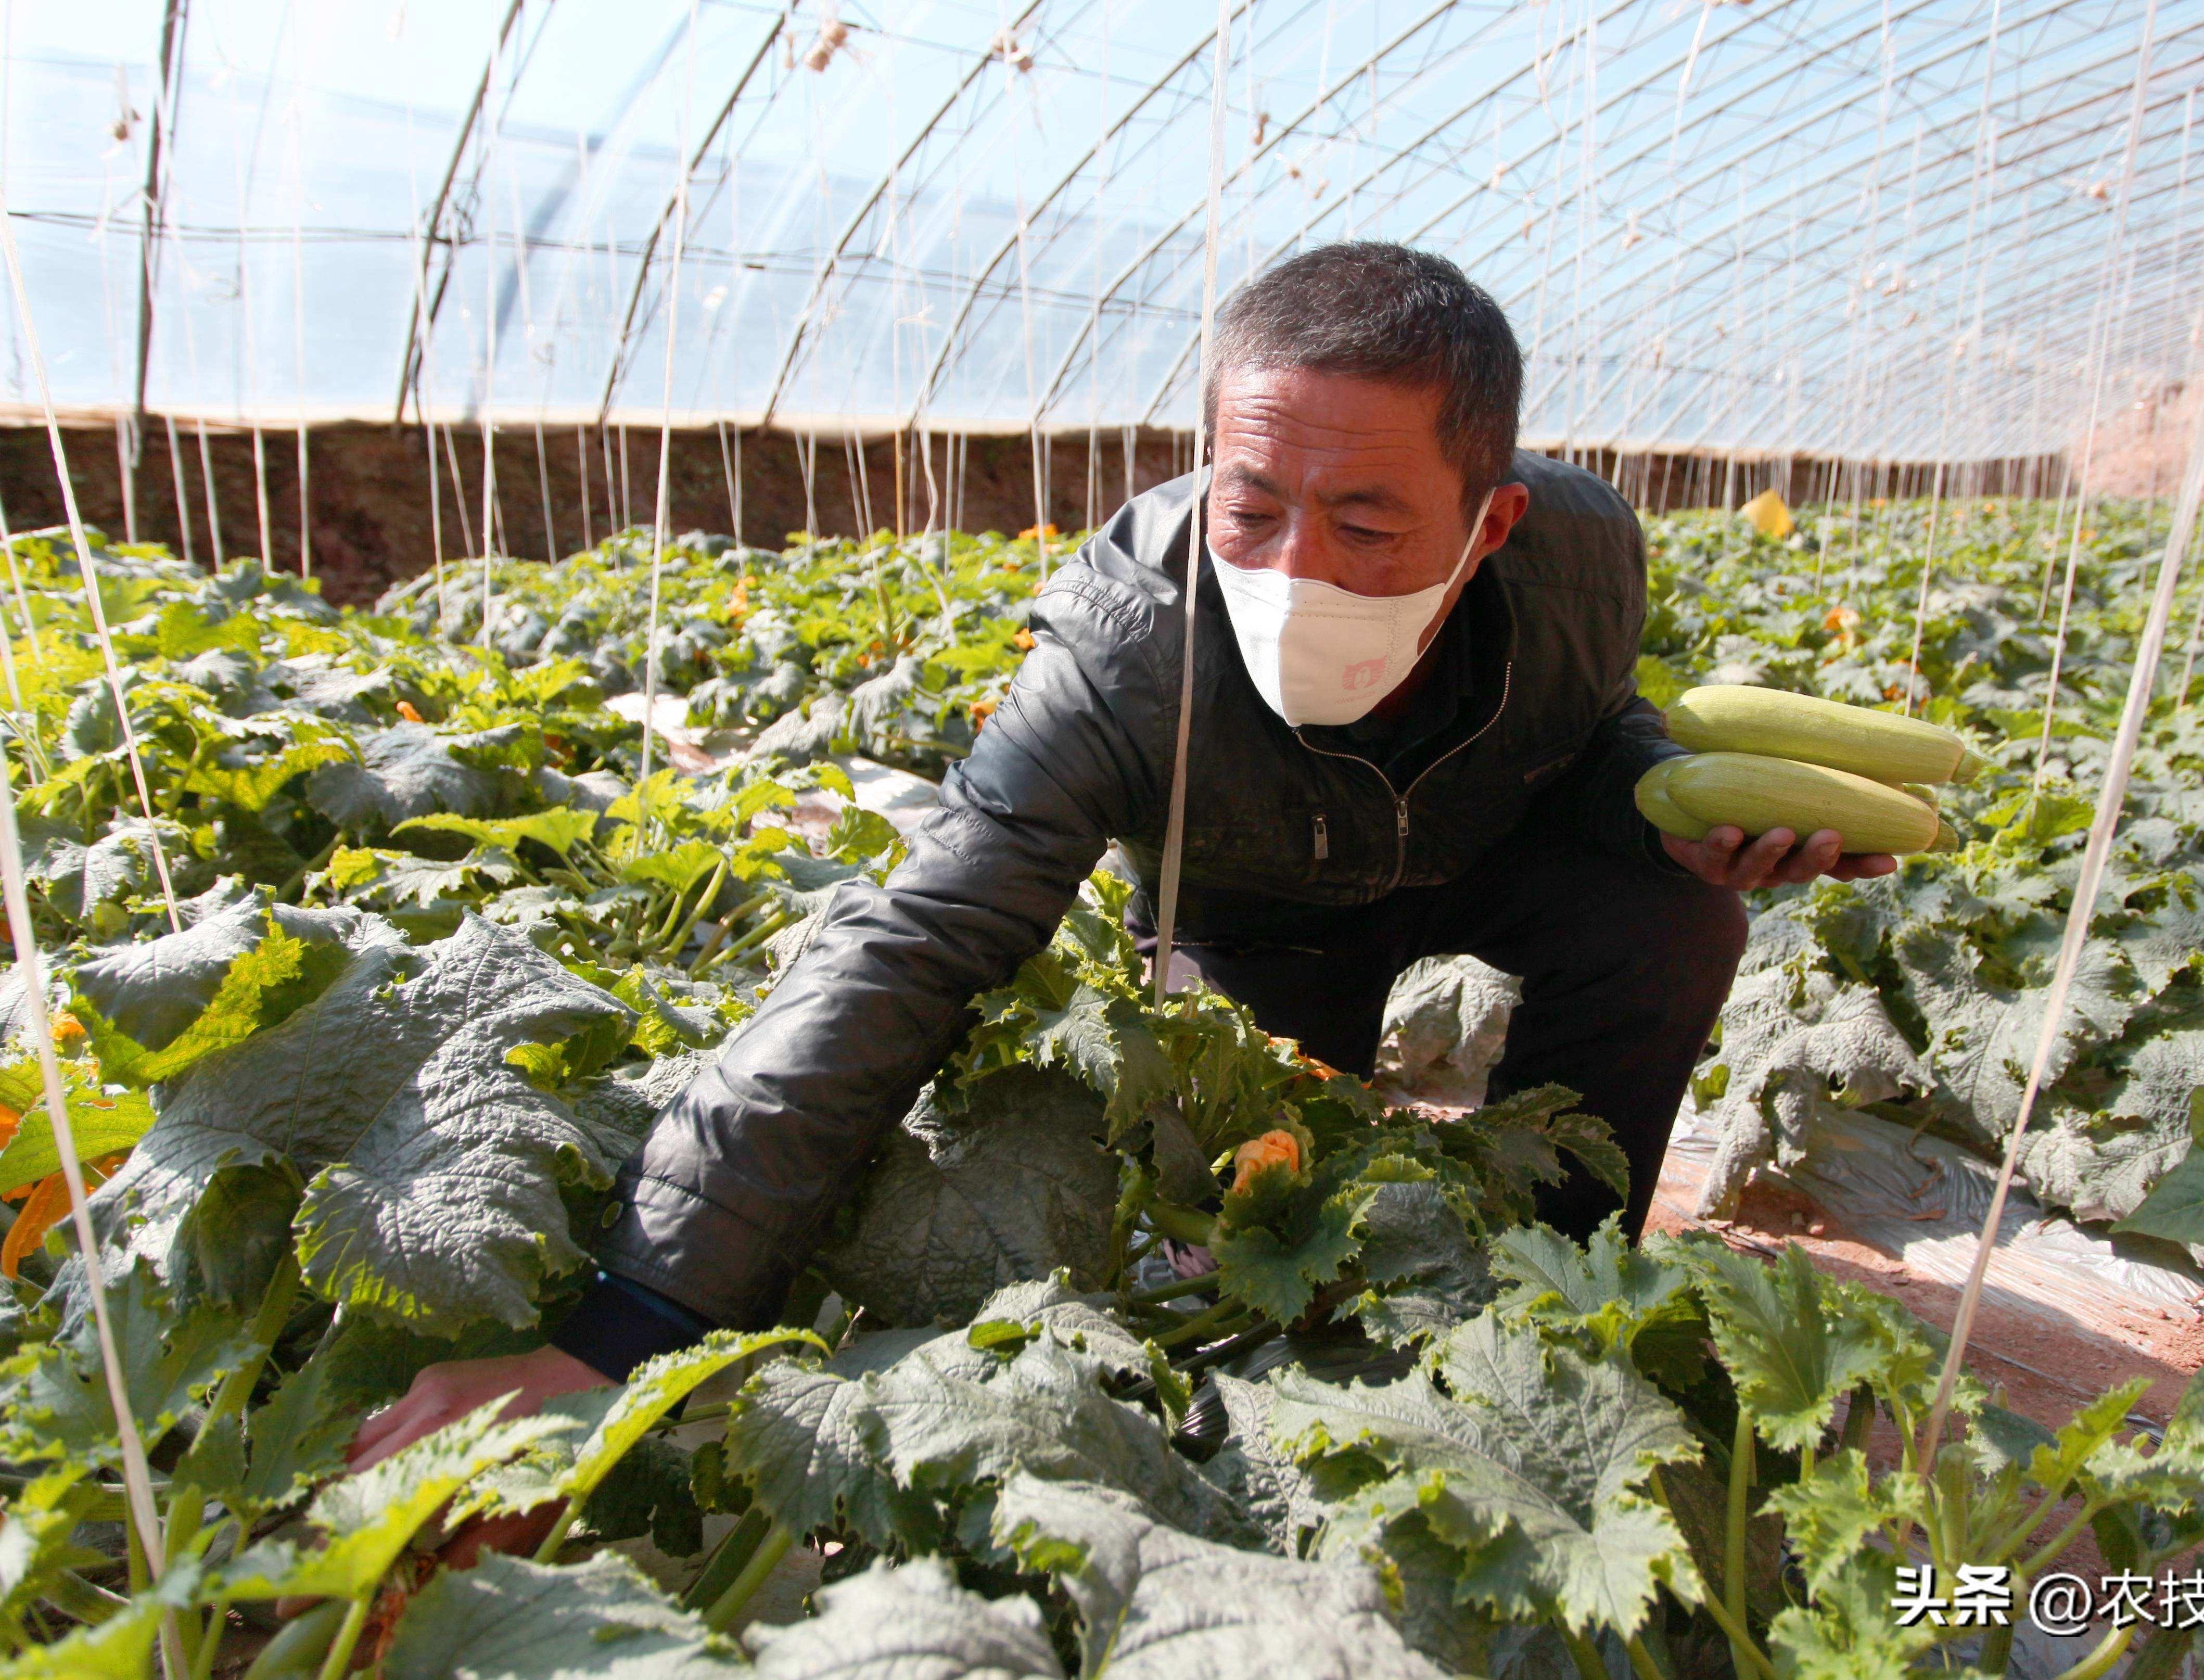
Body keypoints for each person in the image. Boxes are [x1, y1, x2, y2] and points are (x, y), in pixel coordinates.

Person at [348, 243, 1897, 1470]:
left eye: (1367, 525)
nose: (1297, 567)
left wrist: (1670, 797)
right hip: (1256, 903)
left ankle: (1555, 1303)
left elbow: (1589, 719)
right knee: (1260, 1207)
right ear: (1206, 466)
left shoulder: (1579, 556)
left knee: (1664, 916)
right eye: (1253, 507)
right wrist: (633, 1318)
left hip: (1481, 840)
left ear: (1488, 524)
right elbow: (918, 937)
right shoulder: (1123, 652)